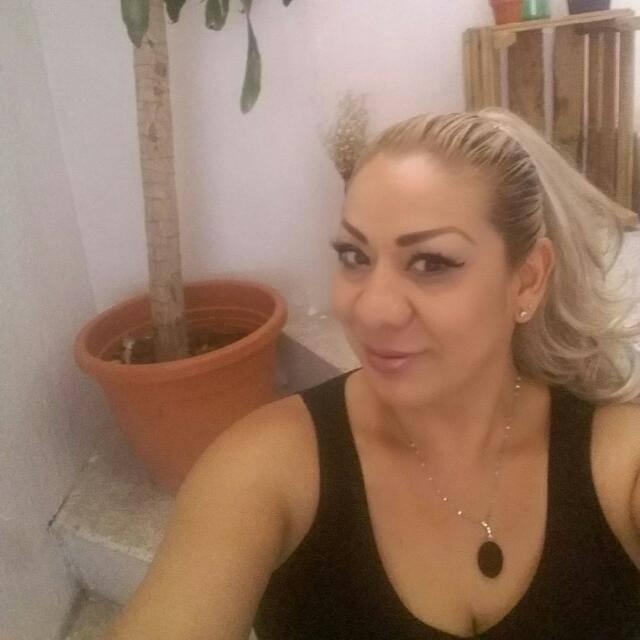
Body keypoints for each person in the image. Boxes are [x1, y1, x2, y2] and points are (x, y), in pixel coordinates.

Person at [104, 108, 640, 640]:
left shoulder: (619, 460)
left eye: (431, 263)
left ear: (527, 280)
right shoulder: (267, 467)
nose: (372, 310)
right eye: (354, 256)